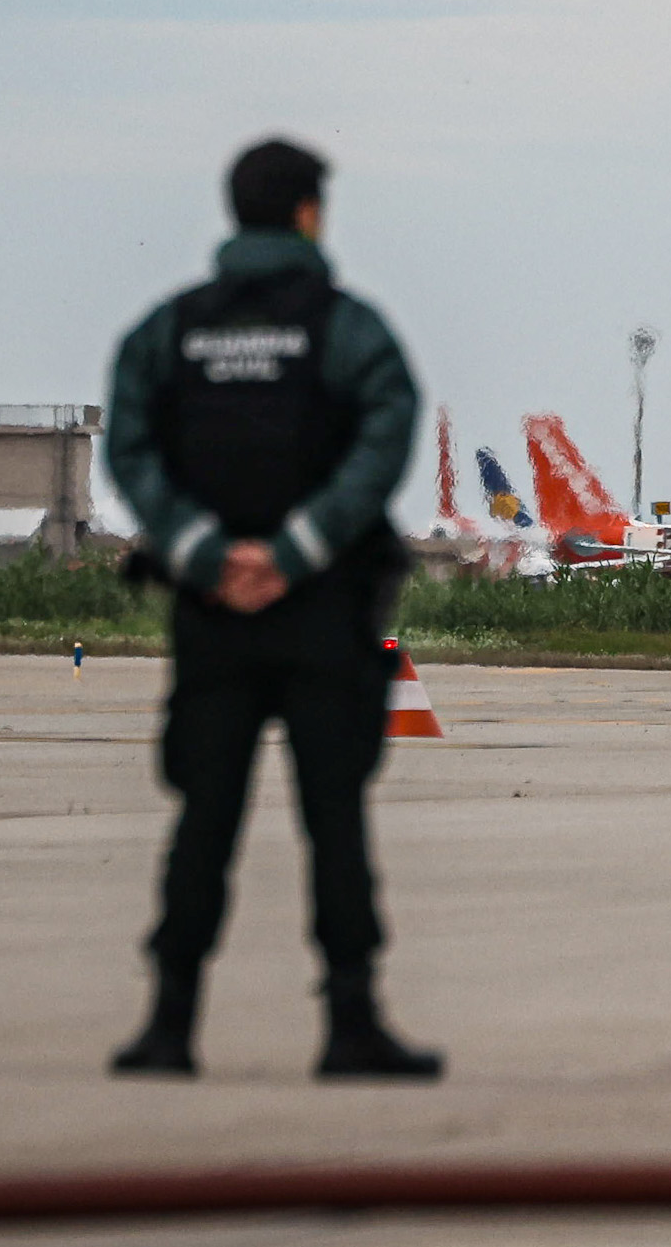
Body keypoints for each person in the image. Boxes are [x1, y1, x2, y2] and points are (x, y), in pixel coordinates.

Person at [104, 138, 436, 1081]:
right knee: (334, 818)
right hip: (324, 609)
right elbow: (388, 431)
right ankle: (351, 1023)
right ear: (306, 214)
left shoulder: (170, 331)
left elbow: (130, 448)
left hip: (211, 614)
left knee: (203, 816)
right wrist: (298, 551)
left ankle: (169, 1025)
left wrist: (206, 553)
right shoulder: (346, 329)